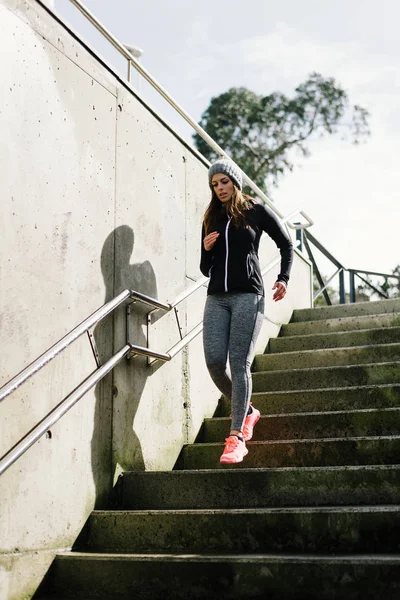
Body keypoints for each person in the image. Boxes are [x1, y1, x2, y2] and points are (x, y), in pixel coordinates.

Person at [200, 157, 293, 464]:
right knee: (215, 362)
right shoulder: (211, 217)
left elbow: (286, 243)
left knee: (239, 363)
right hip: (217, 297)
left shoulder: (255, 210)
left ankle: (236, 436)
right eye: (215, 184)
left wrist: (283, 278)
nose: (220, 188)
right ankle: (249, 410)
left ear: (235, 182)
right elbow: (204, 269)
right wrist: (207, 248)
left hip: (248, 297)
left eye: (224, 182)